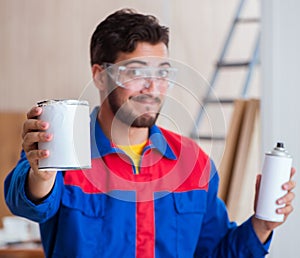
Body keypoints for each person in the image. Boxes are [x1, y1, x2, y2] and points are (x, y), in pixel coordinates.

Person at [4, 8, 296, 258]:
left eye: (162, 74)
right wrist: (41, 172)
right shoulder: (63, 150)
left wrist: (262, 224)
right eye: (136, 72)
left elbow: (215, 251)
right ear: (99, 75)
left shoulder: (193, 163)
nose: (152, 87)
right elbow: (27, 203)